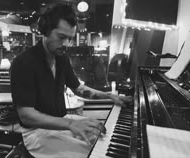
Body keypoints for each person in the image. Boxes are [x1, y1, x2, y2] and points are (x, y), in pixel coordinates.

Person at [10, 4, 132, 158]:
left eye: (70, 38)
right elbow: (26, 115)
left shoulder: (61, 59)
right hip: (35, 132)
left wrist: (110, 97)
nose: (67, 44)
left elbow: (79, 89)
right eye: (62, 37)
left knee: (102, 139)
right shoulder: (24, 63)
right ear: (45, 30)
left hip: (62, 121)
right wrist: (71, 124)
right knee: (93, 154)